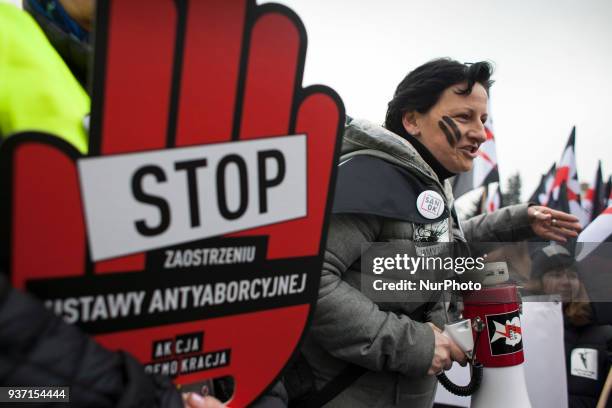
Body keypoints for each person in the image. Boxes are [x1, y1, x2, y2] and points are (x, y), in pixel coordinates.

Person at [296, 58, 582, 407]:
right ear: (412, 120)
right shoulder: (369, 180)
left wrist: (518, 221)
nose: (480, 133)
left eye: (483, 120)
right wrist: (416, 345)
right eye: (464, 117)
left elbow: (436, 247)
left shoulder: (419, 187)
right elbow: (307, 282)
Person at [531, 245, 612, 408]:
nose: (566, 282)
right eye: (556, 275)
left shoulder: (603, 334)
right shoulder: (524, 332)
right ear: (538, 283)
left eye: (572, 275)